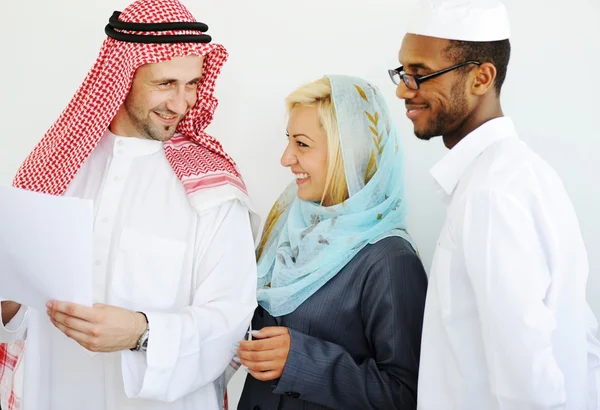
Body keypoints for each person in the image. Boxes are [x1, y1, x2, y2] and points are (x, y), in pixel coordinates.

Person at [0, 0, 258, 409]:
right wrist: (9, 304)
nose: (181, 103)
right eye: (165, 83)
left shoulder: (213, 188)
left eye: (192, 84)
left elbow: (231, 320)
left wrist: (142, 333)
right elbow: (16, 311)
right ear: (122, 76)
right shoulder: (55, 168)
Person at [388, 0, 600, 409]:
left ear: (481, 78)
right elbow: (581, 343)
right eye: (403, 72)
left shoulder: (490, 195)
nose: (403, 89)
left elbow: (527, 382)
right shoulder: (518, 174)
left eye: (420, 74)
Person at [235, 74, 428, 410]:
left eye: (302, 144)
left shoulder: (389, 259)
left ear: (347, 154)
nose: (285, 158)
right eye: (288, 141)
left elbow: (403, 395)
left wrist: (301, 360)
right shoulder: (285, 223)